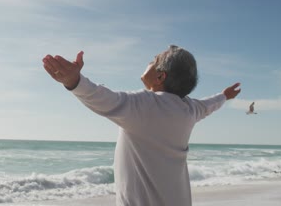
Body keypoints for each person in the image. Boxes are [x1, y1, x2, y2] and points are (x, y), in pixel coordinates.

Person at [42, 45, 241, 206]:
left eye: (154, 60)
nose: (149, 61)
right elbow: (209, 105)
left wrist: (74, 80)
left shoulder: (144, 105)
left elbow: (102, 98)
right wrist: (225, 96)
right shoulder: (188, 108)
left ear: (161, 76)